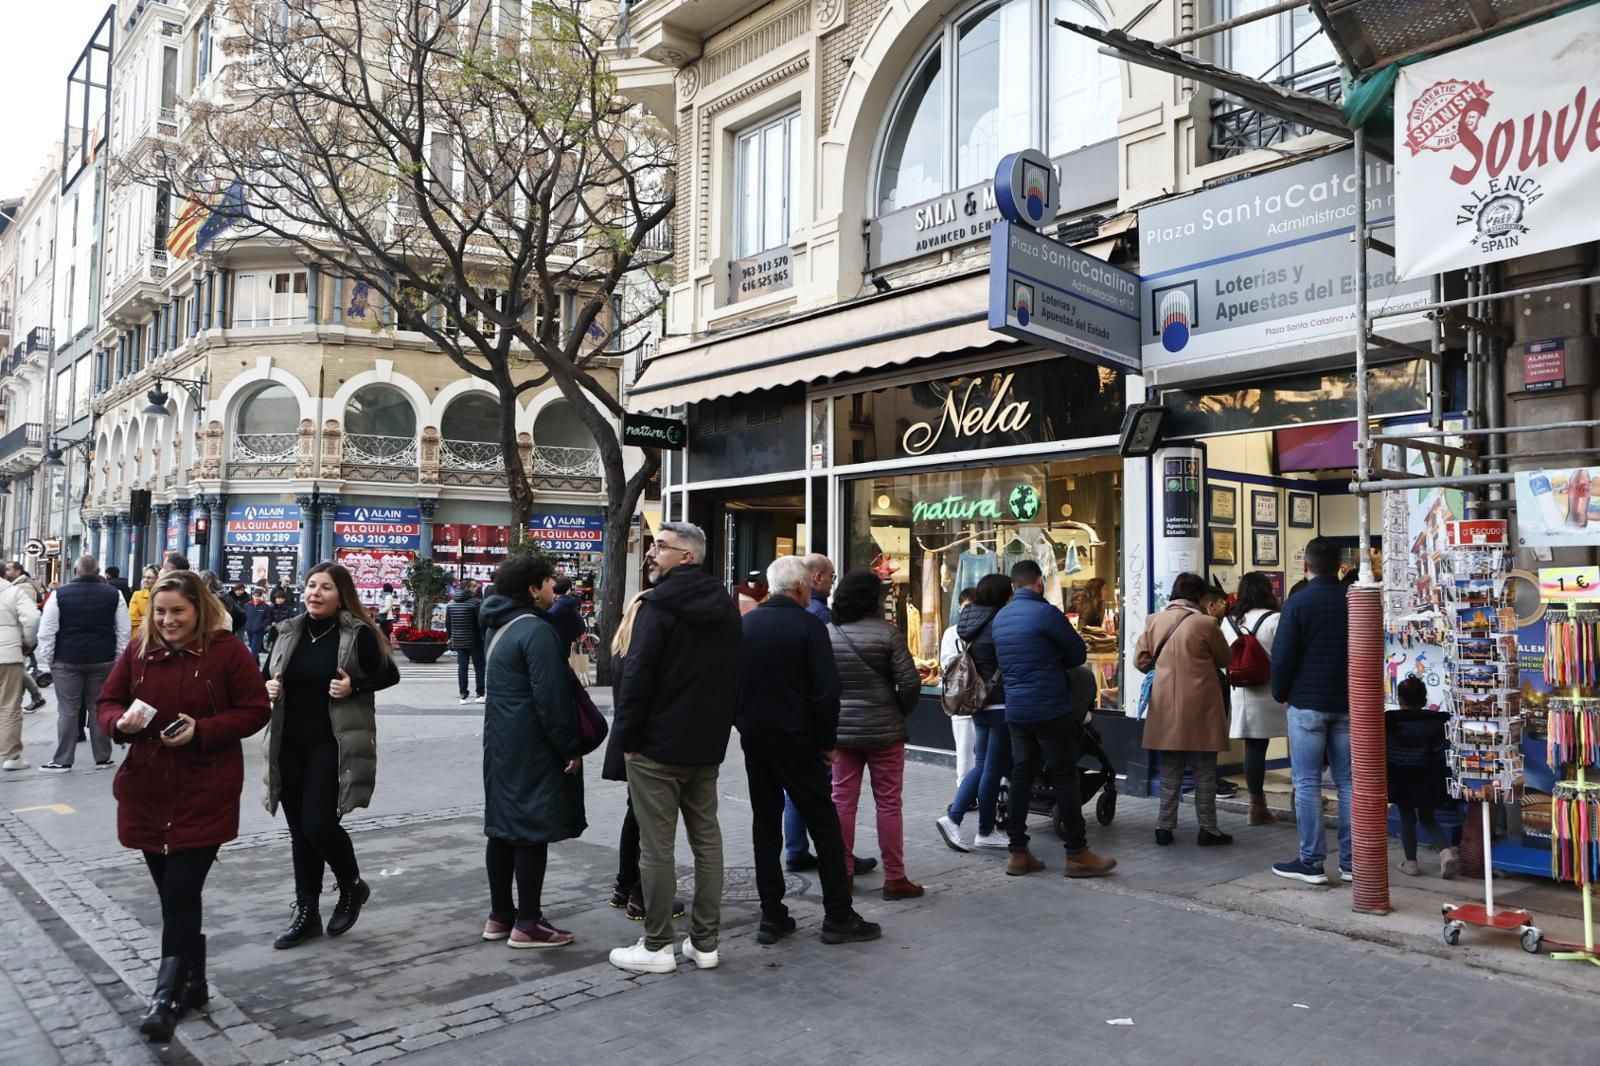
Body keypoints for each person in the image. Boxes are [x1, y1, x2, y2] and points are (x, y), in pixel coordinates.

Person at [95, 570, 270, 1043]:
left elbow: (256, 709)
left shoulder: (226, 652)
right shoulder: (138, 652)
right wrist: (120, 724)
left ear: (199, 610)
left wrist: (205, 729)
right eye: (161, 611)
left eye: (178, 611)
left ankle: (164, 998)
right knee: (173, 895)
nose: (168, 620)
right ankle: (193, 981)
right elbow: (107, 702)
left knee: (179, 893)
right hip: (148, 788)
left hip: (204, 788)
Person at [607, 521, 742, 974]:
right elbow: (733, 678)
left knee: (656, 847)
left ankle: (658, 944)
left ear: (687, 556)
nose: (653, 553)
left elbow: (638, 675)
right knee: (707, 841)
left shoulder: (657, 605)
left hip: (656, 747)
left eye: (661, 547)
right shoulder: (725, 606)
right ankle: (705, 942)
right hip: (704, 745)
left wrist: (625, 740)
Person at [740, 556, 882, 945]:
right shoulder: (810, 625)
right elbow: (826, 691)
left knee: (764, 825)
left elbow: (730, 685)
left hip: (757, 739)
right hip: (800, 741)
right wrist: (826, 742)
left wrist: (745, 724)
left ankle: (772, 915)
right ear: (802, 586)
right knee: (824, 823)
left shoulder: (747, 624)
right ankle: (838, 914)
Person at [262, 563, 400, 948]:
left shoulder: (356, 633)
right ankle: (306, 913)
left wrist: (354, 686)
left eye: (324, 587)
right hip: (288, 744)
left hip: (331, 743)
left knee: (318, 825)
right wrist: (270, 686)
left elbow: (389, 674)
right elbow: (264, 675)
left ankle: (352, 885)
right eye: (310, 586)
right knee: (299, 833)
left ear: (341, 594)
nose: (314, 593)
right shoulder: (288, 631)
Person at [479, 555, 586, 947]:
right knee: (530, 830)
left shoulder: (497, 625)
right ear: (532, 588)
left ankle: (499, 915)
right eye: (547, 582)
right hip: (533, 744)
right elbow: (552, 699)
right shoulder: (537, 631)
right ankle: (529, 922)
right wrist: (568, 748)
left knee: (502, 828)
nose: (552, 589)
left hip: (501, 742)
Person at [991, 559, 1116, 878]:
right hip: (1050, 707)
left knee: (1021, 775)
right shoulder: (1046, 613)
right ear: (1039, 583)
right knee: (1064, 776)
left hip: (1016, 709)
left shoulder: (1001, 618)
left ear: (1012, 587)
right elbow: (1076, 655)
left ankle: (1018, 852)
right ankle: (1076, 854)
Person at [826, 570, 923, 900]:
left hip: (841, 731)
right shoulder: (888, 633)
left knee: (841, 801)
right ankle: (895, 878)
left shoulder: (829, 633)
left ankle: (843, 873)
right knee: (889, 803)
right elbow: (910, 683)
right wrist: (898, 708)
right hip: (884, 730)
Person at [1270, 536, 1353, 885]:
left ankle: (1311, 861)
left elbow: (1283, 655)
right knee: (1349, 783)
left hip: (1306, 704)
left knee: (1306, 783)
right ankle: (1353, 863)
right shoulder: (1354, 602)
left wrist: (1281, 692)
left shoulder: (1298, 603)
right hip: (1348, 703)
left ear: (1306, 566)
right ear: (1339, 566)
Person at [1136, 572, 1235, 847]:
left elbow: (1140, 661)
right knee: (1204, 769)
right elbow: (1226, 657)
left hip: (1166, 704)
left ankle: (1164, 827)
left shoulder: (1154, 621)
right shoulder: (1206, 623)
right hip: (1202, 705)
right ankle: (1208, 829)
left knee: (1170, 768)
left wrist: (1164, 666)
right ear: (1200, 597)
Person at [936, 576, 1012, 852]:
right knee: (990, 769)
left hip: (978, 702)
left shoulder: (970, 623)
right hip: (1000, 702)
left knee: (981, 765)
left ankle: (965, 822)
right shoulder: (999, 623)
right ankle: (972, 825)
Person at [35, 555, 131, 773]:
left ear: (75, 572)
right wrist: (117, 658)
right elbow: (123, 630)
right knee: (99, 707)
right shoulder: (114, 595)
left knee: (68, 710)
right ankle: (103, 758)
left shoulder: (59, 594)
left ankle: (63, 760)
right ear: (98, 572)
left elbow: (47, 630)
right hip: (102, 659)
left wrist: (49, 657)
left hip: (67, 659)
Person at [1222, 572, 1287, 826]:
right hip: (1271, 691)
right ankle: (1296, 797)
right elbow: (1284, 656)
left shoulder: (1228, 622)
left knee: (1254, 747)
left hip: (1241, 693)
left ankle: (1255, 804)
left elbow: (1222, 660)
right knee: (1296, 739)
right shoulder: (1275, 619)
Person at [1388, 676, 1457, 878]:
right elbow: (1443, 751)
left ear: (1399, 699)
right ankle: (1445, 853)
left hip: (1401, 776)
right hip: (1428, 776)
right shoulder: (1436, 721)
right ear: (1425, 699)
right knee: (1428, 817)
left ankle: (1411, 863)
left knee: (1407, 817)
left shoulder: (1390, 720)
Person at [0, 567, 41, 772]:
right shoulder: (12, 592)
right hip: (7, 655)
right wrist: (26, 642)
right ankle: (11, 756)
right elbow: (33, 619)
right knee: (9, 705)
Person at [939, 587, 979, 785]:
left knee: (981, 750)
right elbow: (946, 664)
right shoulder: (951, 633)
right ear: (959, 608)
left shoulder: (984, 629)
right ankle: (964, 786)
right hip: (961, 698)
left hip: (980, 698)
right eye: (967, 607)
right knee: (964, 748)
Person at [4, 563, 48, 712]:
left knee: (18, 669)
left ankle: (34, 697)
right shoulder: (16, 586)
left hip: (19, 638)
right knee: (18, 669)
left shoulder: (23, 588)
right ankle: (31, 698)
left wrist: (27, 640)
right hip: (15, 639)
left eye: (9, 569)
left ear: (18, 571)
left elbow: (30, 616)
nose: (6, 571)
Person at [446, 579, 486, 704]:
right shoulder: (476, 603)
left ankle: (463, 694)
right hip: (475, 640)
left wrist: (451, 637)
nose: (476, 588)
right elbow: (481, 623)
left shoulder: (451, 604)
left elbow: (448, 624)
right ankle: (480, 694)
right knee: (479, 666)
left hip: (458, 640)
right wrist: (484, 636)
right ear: (468, 588)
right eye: (474, 586)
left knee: (462, 667)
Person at [546, 577, 586, 651]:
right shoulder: (568, 601)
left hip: (559, 644)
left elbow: (548, 617)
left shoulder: (562, 603)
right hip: (566, 641)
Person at [129, 566, 159, 640]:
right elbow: (132, 619)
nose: (145, 580)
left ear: (157, 579)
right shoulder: (137, 595)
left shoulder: (162, 596)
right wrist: (151, 621)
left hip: (157, 638)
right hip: (139, 637)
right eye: (144, 577)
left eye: (149, 577)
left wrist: (144, 618)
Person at [243, 588, 273, 660]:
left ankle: (251, 665)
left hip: (258, 631)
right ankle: (257, 662)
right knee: (253, 648)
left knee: (254, 649)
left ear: (262, 596)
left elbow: (268, 618)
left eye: (259, 596)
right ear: (252, 595)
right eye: (255, 596)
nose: (256, 597)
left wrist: (262, 626)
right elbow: (244, 616)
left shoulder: (265, 607)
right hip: (249, 629)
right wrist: (246, 625)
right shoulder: (247, 605)